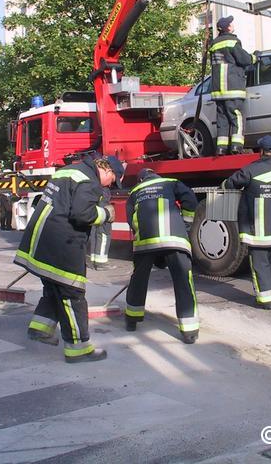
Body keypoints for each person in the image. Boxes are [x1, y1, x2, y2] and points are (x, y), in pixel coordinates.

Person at [15, 154, 124, 363]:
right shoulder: (89, 181)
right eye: (112, 181)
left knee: (54, 287)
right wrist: (106, 214)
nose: (109, 186)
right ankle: (78, 348)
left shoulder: (68, 171)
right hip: (62, 243)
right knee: (73, 293)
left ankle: (40, 328)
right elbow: (82, 214)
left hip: (42, 241)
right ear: (107, 170)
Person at [125, 168, 200, 343]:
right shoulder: (171, 182)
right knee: (183, 280)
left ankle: (132, 320)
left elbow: (130, 219)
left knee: (138, 279)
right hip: (174, 239)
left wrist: (140, 232)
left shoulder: (135, 191)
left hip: (145, 243)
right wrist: (186, 223)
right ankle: (189, 331)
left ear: (141, 180)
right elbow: (190, 199)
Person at [222, 135, 271, 310]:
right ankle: (270, 290)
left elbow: (231, 183)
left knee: (259, 262)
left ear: (261, 151)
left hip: (258, 229)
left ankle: (265, 299)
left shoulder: (251, 169)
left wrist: (223, 185)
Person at [209, 15, 256, 156]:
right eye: (231, 23)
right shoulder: (232, 41)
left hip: (218, 90)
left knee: (222, 119)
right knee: (237, 117)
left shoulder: (214, 44)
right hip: (233, 87)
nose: (233, 25)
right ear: (228, 27)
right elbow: (244, 59)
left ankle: (221, 148)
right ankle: (236, 146)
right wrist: (255, 57)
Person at [88, 185, 112, 269]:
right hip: (102, 211)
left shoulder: (94, 186)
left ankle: (93, 261)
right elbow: (103, 205)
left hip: (94, 212)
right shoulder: (104, 189)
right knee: (104, 234)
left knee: (94, 233)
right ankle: (101, 263)